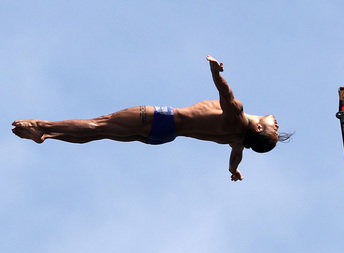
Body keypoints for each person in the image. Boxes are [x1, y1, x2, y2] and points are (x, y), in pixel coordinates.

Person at [12, 55, 292, 181]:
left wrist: (215, 72)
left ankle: (41, 126)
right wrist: (234, 172)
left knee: (100, 123)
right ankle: (48, 135)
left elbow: (226, 95)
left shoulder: (238, 116)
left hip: (161, 119)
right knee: (100, 132)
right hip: (162, 137)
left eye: (272, 129)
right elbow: (235, 158)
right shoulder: (236, 140)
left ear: (258, 127)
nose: (276, 124)